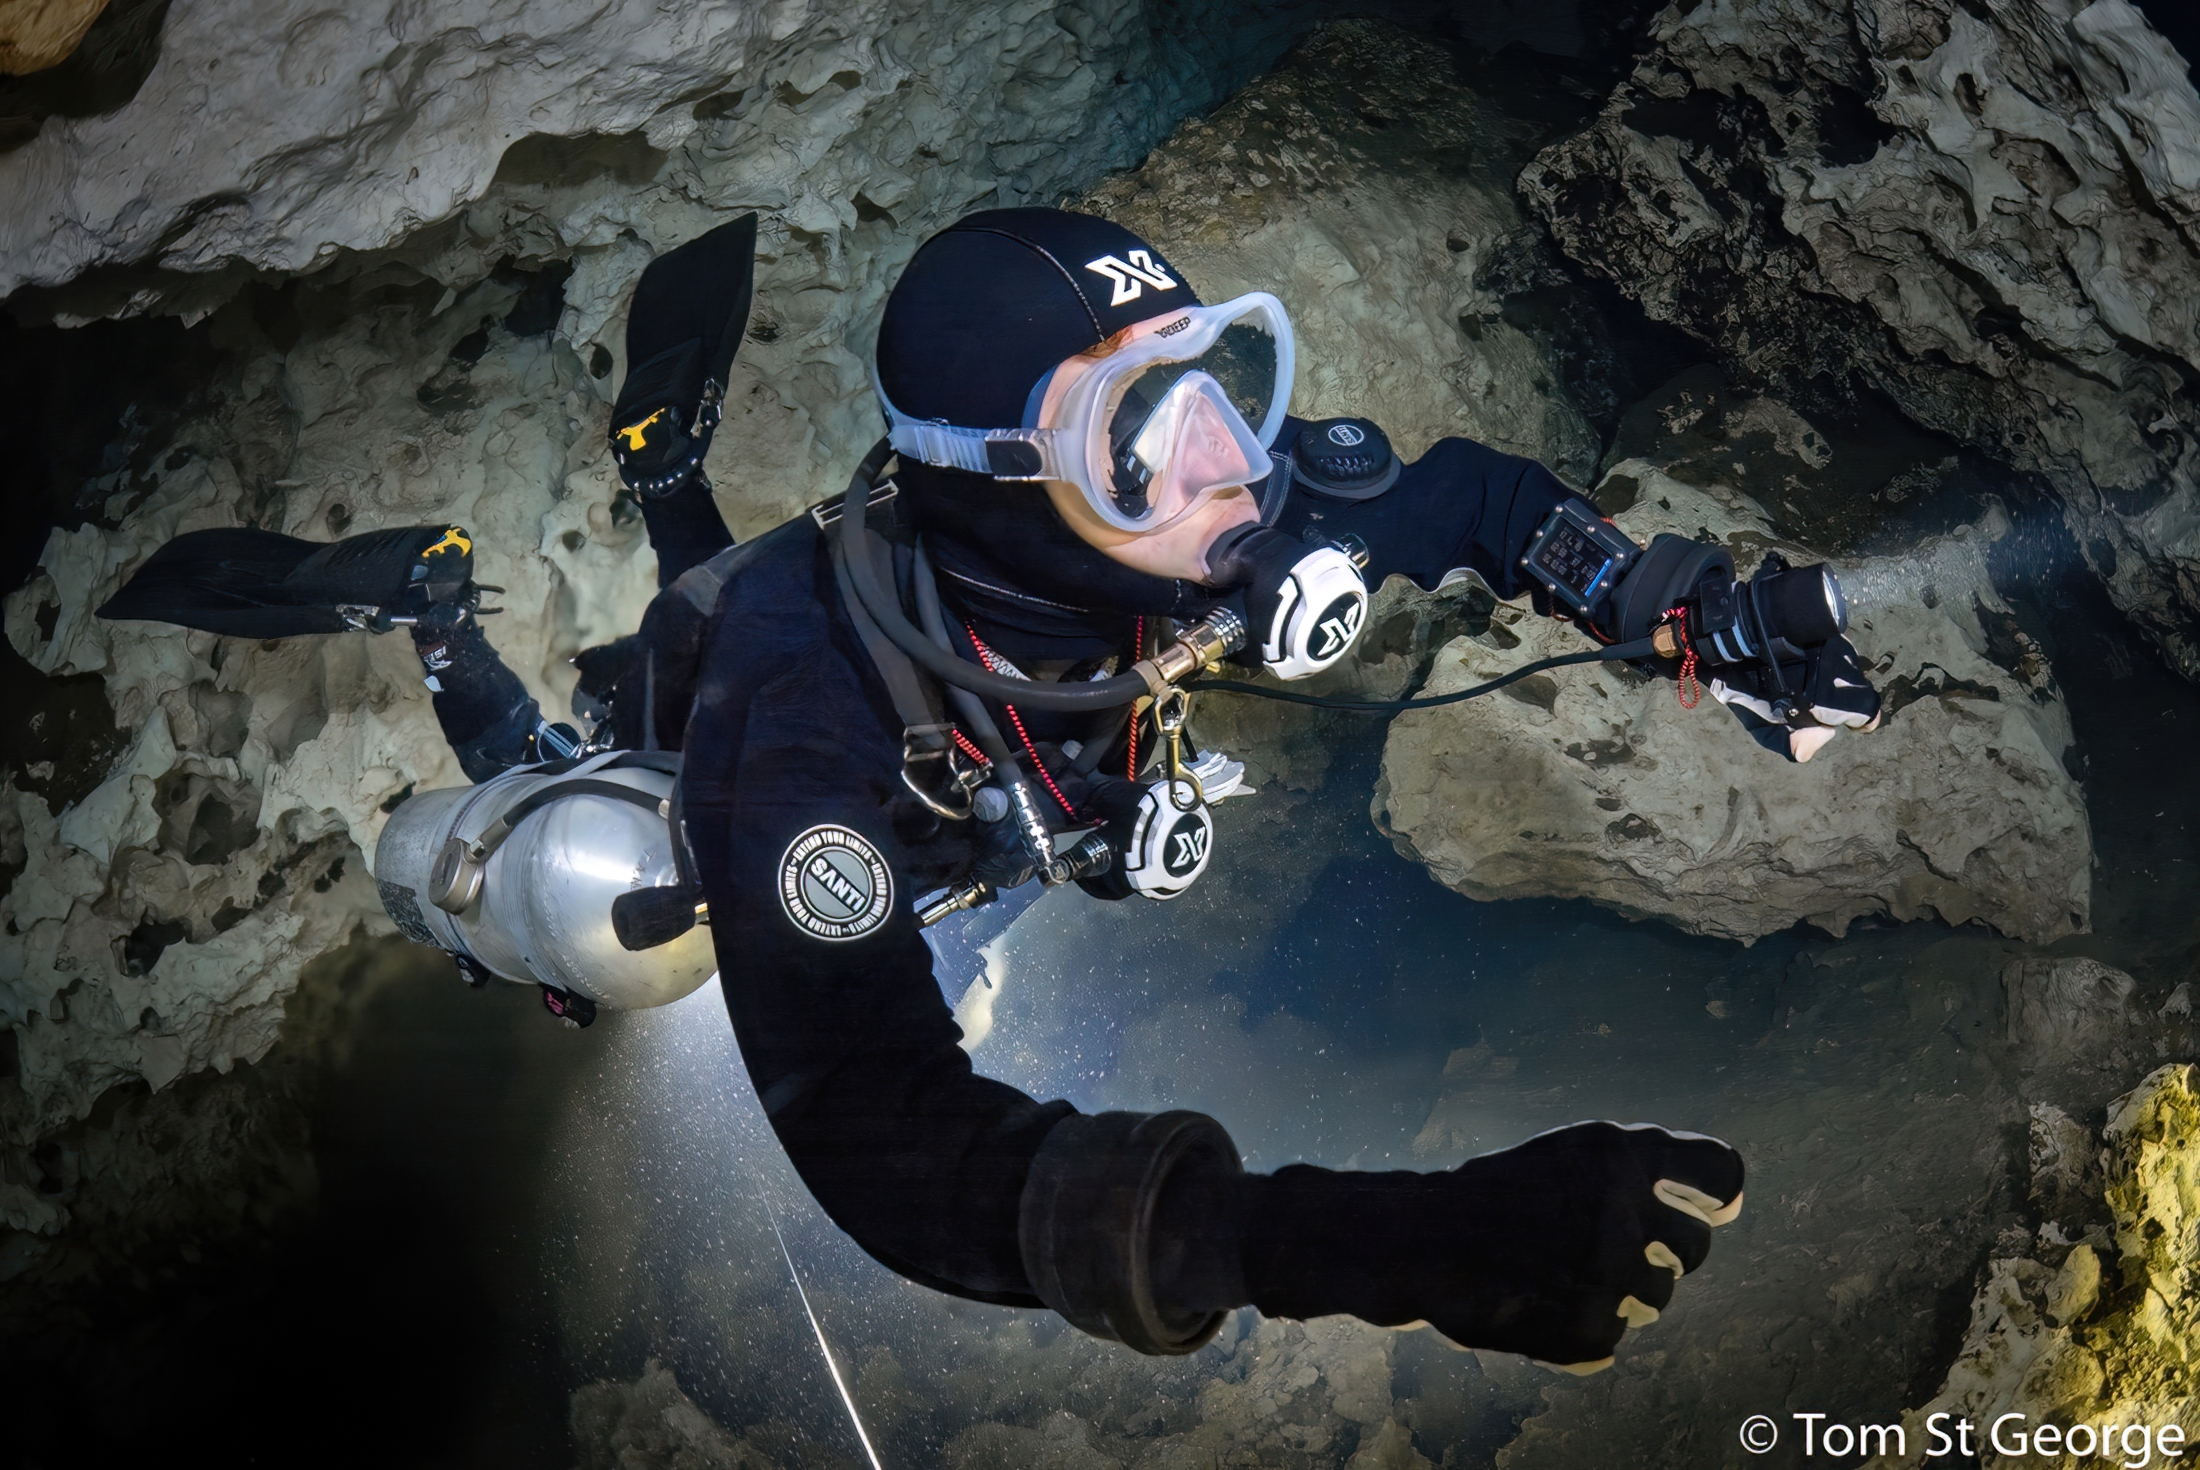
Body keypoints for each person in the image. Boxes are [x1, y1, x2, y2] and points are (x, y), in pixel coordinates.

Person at [102, 207, 1884, 1372]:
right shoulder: (804, 723)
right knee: (614, 873)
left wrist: (1682, 613)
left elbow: (1474, 500)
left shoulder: (1204, 510)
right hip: (736, 730)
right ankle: (445, 604)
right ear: (1005, 481)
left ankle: (662, 464)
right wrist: (1379, 1243)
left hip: (981, 772)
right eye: (1141, 432)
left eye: (1217, 380)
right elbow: (888, 1145)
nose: (1229, 462)